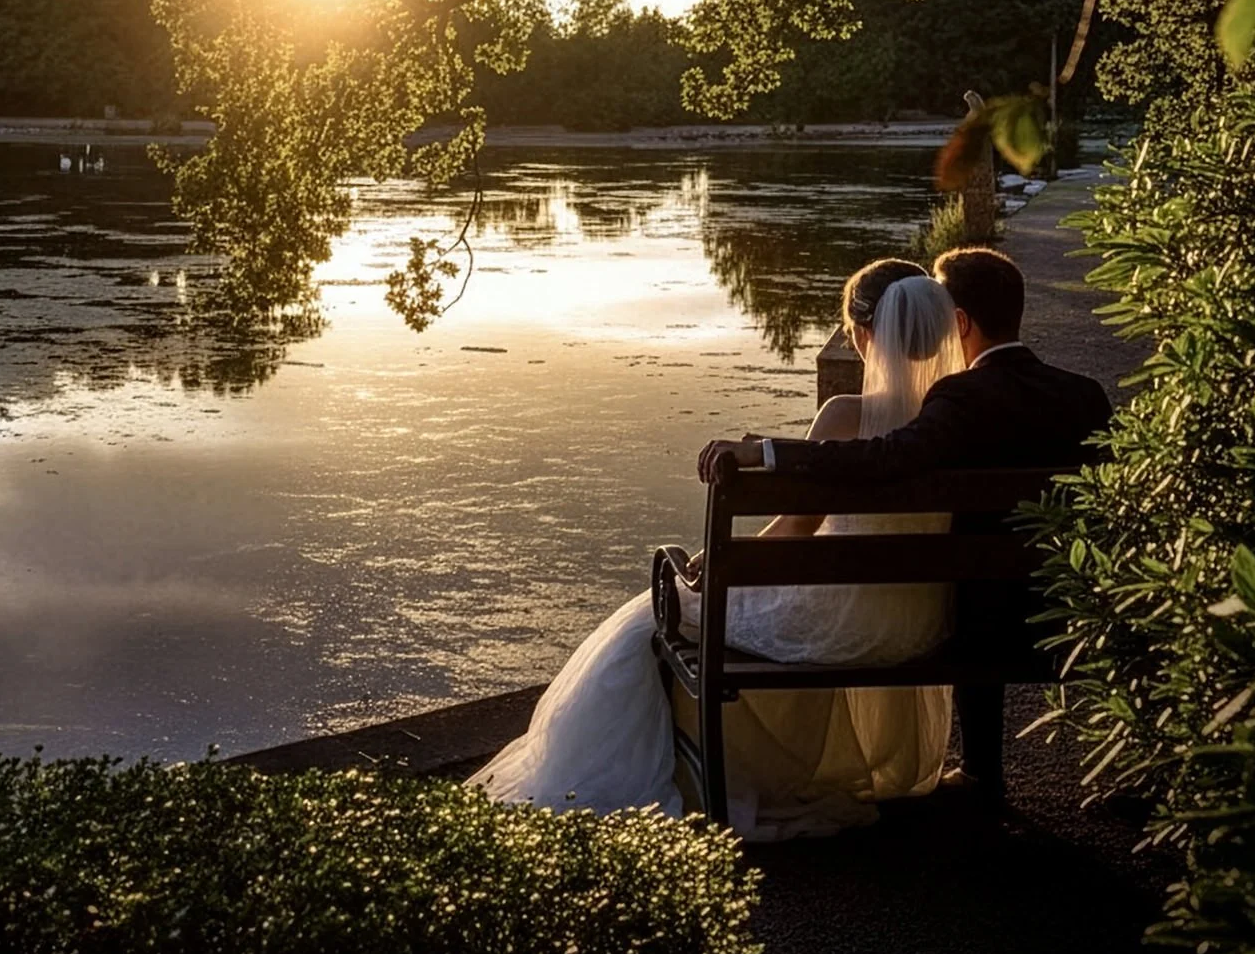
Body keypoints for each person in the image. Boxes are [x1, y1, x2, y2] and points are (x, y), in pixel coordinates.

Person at [469, 258, 976, 835]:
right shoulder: (960, 424)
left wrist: (715, 566)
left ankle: (661, 775)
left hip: (844, 623)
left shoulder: (844, 417)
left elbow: (793, 530)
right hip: (918, 622)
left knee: (648, 622)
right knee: (686, 603)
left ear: (864, 335)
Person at [692, 247, 1112, 485]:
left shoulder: (958, 400)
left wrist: (763, 452)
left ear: (960, 322)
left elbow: (883, 456)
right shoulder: (1086, 395)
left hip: (974, 610)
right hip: (1066, 602)